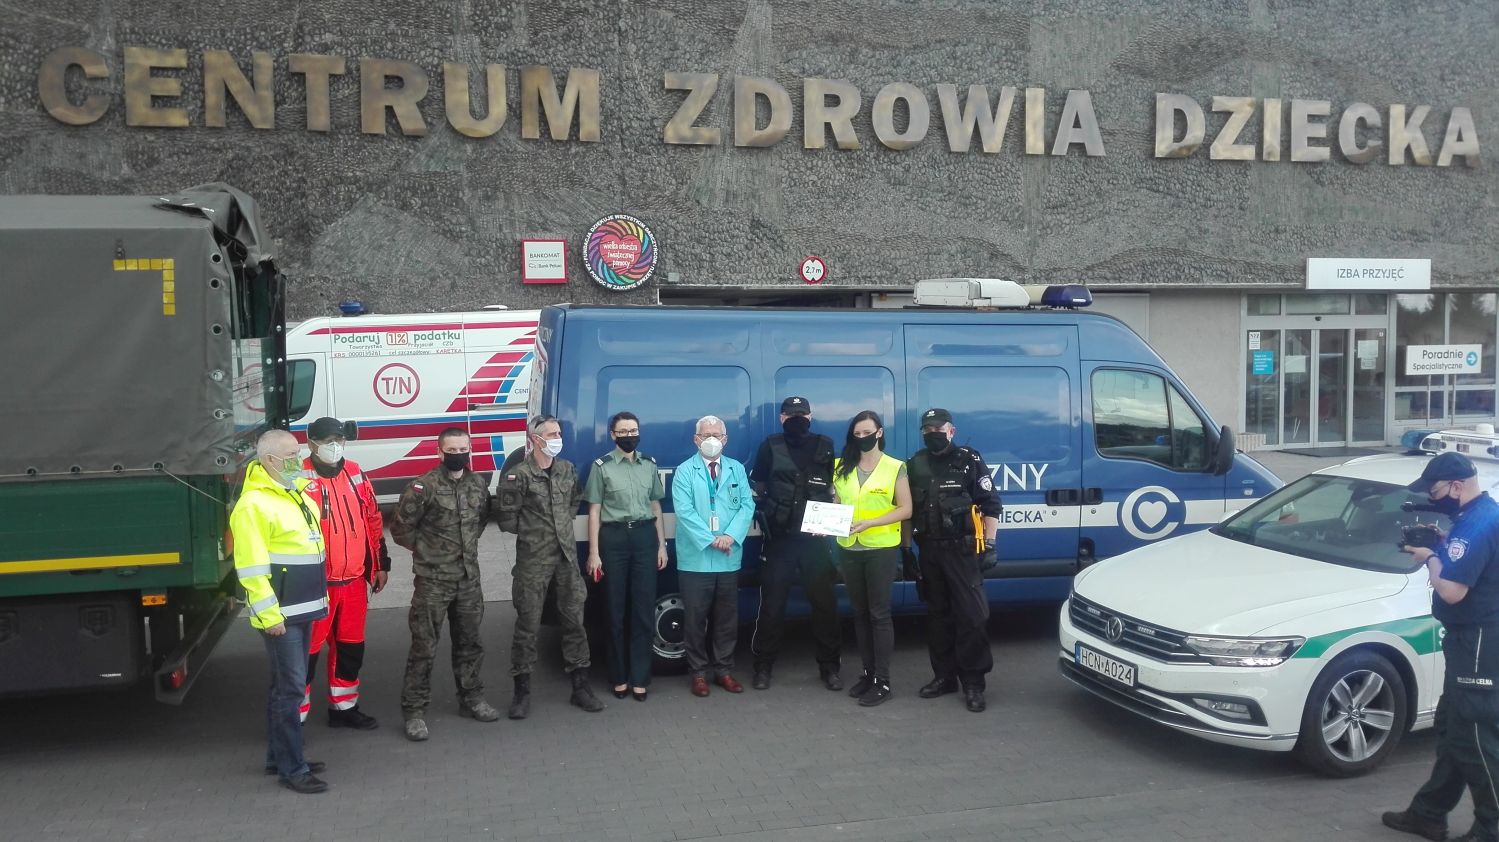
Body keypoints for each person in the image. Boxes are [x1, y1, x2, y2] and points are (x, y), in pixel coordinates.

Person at [1383, 452, 1499, 842]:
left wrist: (1430, 556)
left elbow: (1451, 590)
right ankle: (1428, 813)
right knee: (1453, 731)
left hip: (1479, 642)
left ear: (1456, 486)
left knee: (1476, 738)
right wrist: (1446, 545)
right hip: (1472, 641)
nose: (1433, 499)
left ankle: (1491, 827)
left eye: (1435, 491)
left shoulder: (1478, 524)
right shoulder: (1479, 518)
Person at [230, 429, 330, 794]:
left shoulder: (294, 493)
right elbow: (251, 568)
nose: (300, 458)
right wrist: (270, 617)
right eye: (291, 453)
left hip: (300, 610)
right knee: (291, 691)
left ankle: (279, 757)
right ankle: (293, 767)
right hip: (282, 616)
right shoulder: (253, 505)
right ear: (269, 461)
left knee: (284, 687)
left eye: (299, 451)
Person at [390, 428, 499, 742]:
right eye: (452, 449)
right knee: (424, 647)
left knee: (470, 642)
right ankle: (413, 711)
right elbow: (400, 529)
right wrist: (429, 552)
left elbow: (479, 522)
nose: (458, 454)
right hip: (433, 582)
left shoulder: (478, 484)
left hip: (468, 580)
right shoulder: (422, 487)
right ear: (440, 453)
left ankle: (472, 698)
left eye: (463, 448)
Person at [495, 415, 604, 719]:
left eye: (559, 432)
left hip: (567, 561)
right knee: (528, 626)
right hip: (533, 562)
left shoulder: (566, 469)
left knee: (574, 623)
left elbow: (574, 501)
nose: (558, 437)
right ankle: (522, 692)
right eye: (552, 434)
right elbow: (506, 520)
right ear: (535, 439)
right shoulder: (518, 475)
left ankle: (580, 687)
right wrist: (536, 533)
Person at [299, 417, 391, 730]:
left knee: (350, 649)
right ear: (311, 443)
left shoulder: (355, 473)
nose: (334, 446)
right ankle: (293, 720)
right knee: (304, 656)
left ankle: (344, 708)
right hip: (315, 585)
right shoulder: (298, 478)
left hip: (352, 583)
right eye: (326, 440)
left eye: (338, 439)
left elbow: (373, 519)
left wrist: (380, 565)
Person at [907, 408, 1001, 713]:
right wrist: (907, 551)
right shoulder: (916, 464)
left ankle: (973, 683)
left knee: (972, 617)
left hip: (962, 552)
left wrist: (990, 544)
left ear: (952, 431)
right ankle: (944, 677)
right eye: (926, 429)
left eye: (938, 427)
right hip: (930, 552)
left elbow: (990, 504)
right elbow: (907, 510)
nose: (932, 432)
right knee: (938, 617)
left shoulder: (969, 461)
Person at [748, 396, 843, 691]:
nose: (796, 417)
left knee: (825, 607)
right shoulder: (770, 446)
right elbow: (759, 485)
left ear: (811, 416)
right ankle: (763, 667)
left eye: (801, 413)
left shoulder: (826, 446)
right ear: (781, 418)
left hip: (815, 542)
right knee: (772, 608)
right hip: (781, 541)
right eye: (791, 414)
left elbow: (834, 489)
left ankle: (830, 668)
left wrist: (829, 524)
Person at [584, 411, 667, 701]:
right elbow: (593, 512)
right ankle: (619, 676)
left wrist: (662, 545)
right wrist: (594, 553)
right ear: (613, 435)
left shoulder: (649, 464)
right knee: (614, 611)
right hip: (614, 539)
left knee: (643, 611)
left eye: (633, 430)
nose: (629, 435)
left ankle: (640, 678)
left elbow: (655, 505)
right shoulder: (602, 467)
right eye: (623, 431)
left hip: (645, 538)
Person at [831, 411, 912, 706]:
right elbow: (836, 503)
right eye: (857, 434)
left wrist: (870, 523)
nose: (862, 438)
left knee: (879, 614)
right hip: (849, 547)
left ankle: (883, 680)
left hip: (880, 548)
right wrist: (823, 523)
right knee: (860, 614)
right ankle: (867, 674)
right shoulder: (841, 466)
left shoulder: (895, 467)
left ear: (879, 432)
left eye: (867, 432)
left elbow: (905, 509)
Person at [672, 415, 754, 697]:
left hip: (728, 557)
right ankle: (698, 673)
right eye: (706, 435)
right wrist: (711, 540)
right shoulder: (685, 471)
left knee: (726, 619)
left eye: (716, 435)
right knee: (695, 619)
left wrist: (729, 537)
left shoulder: (736, 470)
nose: (711, 439)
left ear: (725, 439)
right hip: (696, 559)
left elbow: (747, 506)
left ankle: (724, 671)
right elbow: (684, 512)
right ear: (696, 440)